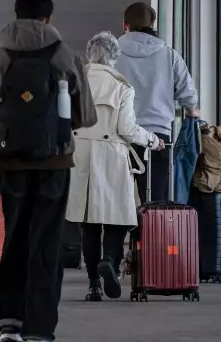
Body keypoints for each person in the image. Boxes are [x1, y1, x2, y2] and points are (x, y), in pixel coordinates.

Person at [0, 0, 97, 342]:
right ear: (47, 19)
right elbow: (85, 115)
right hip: (54, 160)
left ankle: (9, 322)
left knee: (14, 237)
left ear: (16, 17)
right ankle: (40, 328)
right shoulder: (64, 55)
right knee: (47, 240)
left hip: (10, 161)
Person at [65, 31, 163, 302]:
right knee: (118, 216)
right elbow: (127, 129)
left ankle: (93, 285)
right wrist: (153, 140)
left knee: (88, 222)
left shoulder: (75, 82)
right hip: (111, 155)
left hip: (80, 155)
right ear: (114, 58)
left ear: (89, 54)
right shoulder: (122, 86)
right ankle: (109, 259)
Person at [114, 2, 200, 204]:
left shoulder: (113, 54)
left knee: (118, 203)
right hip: (157, 138)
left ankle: (121, 236)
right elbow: (189, 96)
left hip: (119, 135)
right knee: (155, 201)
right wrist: (191, 112)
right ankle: (150, 235)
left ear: (125, 25)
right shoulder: (169, 54)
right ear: (153, 25)